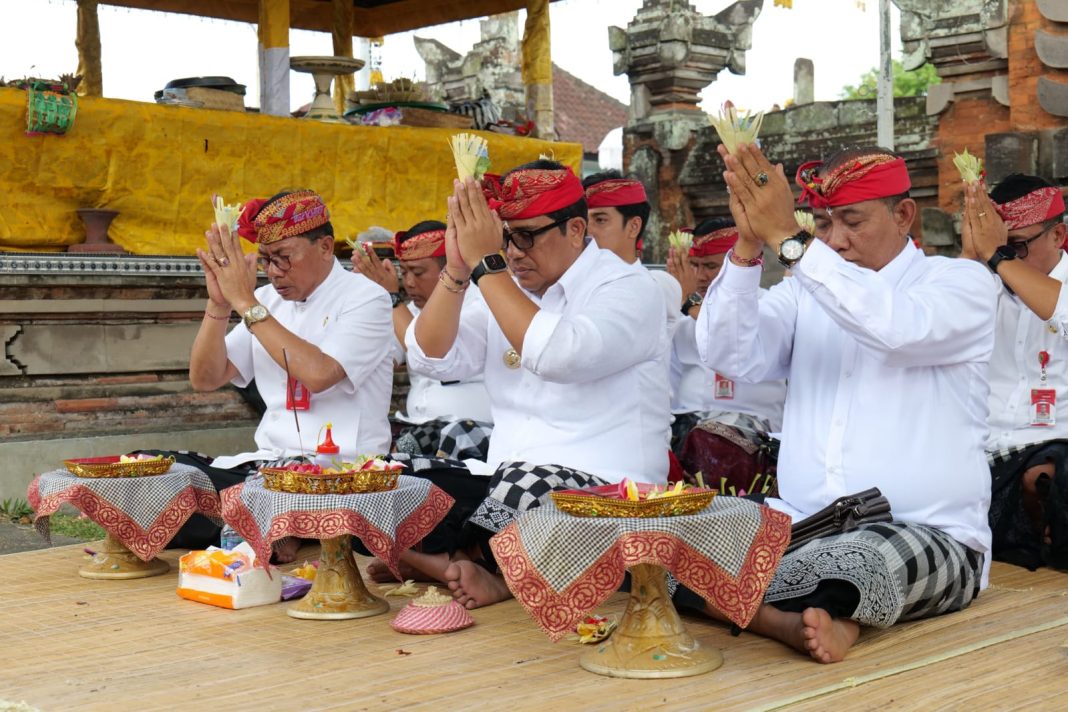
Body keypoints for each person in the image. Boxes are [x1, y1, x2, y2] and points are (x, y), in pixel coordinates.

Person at [686, 143, 997, 663]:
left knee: (861, 562)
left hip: (927, 531)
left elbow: (894, 329)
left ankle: (796, 606)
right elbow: (728, 354)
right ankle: (789, 619)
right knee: (667, 536)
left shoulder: (959, 283)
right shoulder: (808, 288)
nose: (835, 240)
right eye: (824, 224)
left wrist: (788, 240)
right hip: (801, 522)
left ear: (903, 215)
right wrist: (745, 248)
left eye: (851, 221)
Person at [397, 160, 672, 606]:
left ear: (576, 228)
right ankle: (467, 562)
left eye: (525, 236)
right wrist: (457, 270)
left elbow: (560, 355)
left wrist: (488, 267)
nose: (514, 252)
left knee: (525, 487)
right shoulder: (503, 285)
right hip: (502, 483)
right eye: (503, 238)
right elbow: (431, 357)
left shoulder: (628, 286)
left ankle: (471, 566)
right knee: (393, 482)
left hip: (609, 491)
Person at [162, 190, 393, 560]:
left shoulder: (367, 298)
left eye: (284, 258)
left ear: (325, 247)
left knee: (250, 500)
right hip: (269, 467)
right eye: (266, 260)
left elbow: (320, 374)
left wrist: (246, 304)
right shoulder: (267, 301)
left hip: (341, 471)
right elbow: (206, 378)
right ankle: (283, 527)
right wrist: (219, 304)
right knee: (157, 475)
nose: (273, 272)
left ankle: (283, 526)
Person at [959, 173, 1068, 570]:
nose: (1003, 257)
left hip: (1058, 443)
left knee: (1050, 474)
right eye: (1000, 247)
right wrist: (973, 257)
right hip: (984, 447)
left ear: (1058, 236)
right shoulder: (982, 281)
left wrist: (999, 258)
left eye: (1017, 246)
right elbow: (935, 324)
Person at [351, 220, 493, 458]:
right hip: (415, 426)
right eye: (404, 272)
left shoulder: (481, 304)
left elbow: (427, 352)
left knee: (406, 449)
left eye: (417, 273)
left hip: (471, 433)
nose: (408, 282)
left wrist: (392, 300)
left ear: (450, 266)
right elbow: (373, 360)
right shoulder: (409, 311)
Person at [664, 219, 786, 456]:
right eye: (693, 265)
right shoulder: (681, 322)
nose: (699, 276)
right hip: (688, 434)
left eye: (710, 265)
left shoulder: (770, 306)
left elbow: (732, 333)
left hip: (756, 439)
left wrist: (690, 302)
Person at [582, 170, 682, 325]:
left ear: (633, 227)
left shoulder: (656, 286)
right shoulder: (568, 282)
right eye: (583, 221)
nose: (587, 231)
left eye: (600, 220)